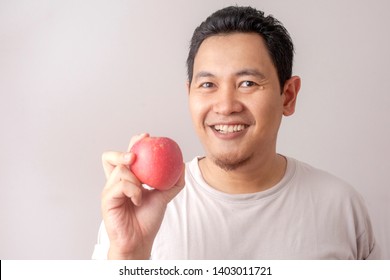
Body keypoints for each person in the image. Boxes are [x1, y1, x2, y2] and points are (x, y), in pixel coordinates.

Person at [92, 6, 380, 259]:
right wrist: (129, 254)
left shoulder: (342, 207)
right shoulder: (140, 209)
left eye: (247, 83)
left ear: (288, 96)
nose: (226, 106)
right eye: (207, 85)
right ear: (189, 95)